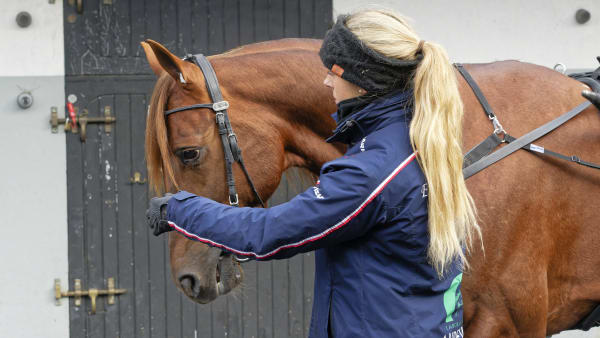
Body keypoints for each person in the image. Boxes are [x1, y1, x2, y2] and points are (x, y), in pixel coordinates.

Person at [147, 9, 480, 338]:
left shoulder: (372, 170)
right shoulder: (420, 143)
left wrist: (180, 210)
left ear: (363, 81)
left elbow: (269, 233)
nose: (325, 81)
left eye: (333, 71)